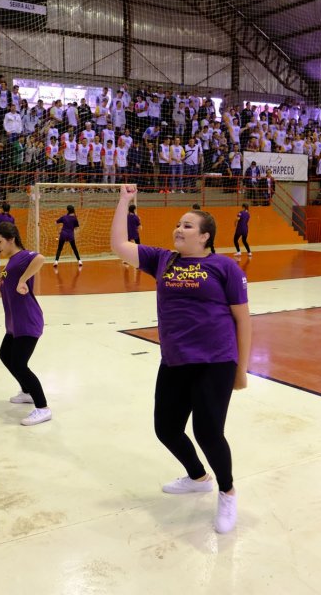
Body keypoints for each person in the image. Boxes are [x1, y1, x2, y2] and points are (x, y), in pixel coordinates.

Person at [110, 184, 251, 535]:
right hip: (175, 359)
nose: (179, 229)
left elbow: (243, 320)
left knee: (208, 432)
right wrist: (124, 200)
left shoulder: (224, 267)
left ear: (204, 236)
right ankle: (198, 477)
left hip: (215, 360)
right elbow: (119, 245)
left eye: (188, 225)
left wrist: (241, 370)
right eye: (178, 224)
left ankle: (227, 491)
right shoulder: (163, 259)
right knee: (166, 429)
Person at [0, 222, 51, 426]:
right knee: (5, 355)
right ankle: (27, 392)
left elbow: (40, 258)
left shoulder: (23, 256)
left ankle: (43, 408)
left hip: (27, 320)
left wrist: (23, 280)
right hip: (14, 322)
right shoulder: (10, 263)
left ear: (11, 239)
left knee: (20, 364)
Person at [0, 203, 15, 268]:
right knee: (11, 253)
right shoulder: (12, 218)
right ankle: (10, 267)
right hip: (8, 238)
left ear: (2, 209)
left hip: (0, 237)